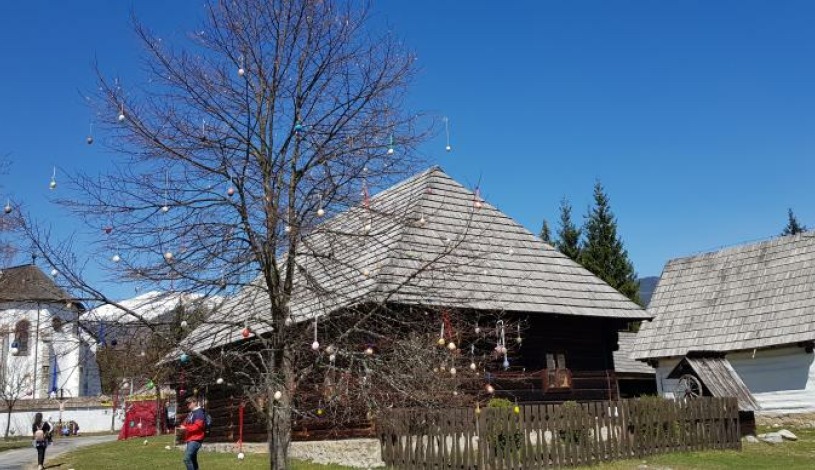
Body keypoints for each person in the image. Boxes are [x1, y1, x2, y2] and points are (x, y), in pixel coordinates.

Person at [178, 396, 206, 470]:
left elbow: (198, 426)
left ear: (195, 402)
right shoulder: (191, 413)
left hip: (196, 439)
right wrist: (182, 426)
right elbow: (186, 423)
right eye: (187, 404)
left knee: (186, 459)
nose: (187, 405)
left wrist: (186, 428)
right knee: (193, 460)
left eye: (189, 403)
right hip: (190, 439)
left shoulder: (199, 412)